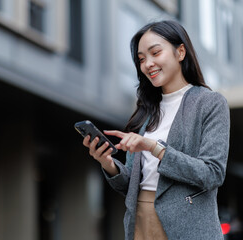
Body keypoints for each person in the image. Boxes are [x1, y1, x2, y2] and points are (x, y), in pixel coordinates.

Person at [82, 20, 230, 240]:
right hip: (140, 218)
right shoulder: (147, 110)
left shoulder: (210, 103)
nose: (147, 64)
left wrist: (154, 148)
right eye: (141, 59)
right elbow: (131, 184)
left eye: (155, 53)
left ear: (180, 52)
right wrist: (108, 163)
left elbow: (212, 173)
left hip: (187, 224)